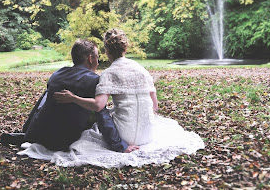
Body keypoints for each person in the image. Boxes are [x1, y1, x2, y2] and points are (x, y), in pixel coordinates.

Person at [38, 28, 204, 168]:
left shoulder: (108, 73)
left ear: (107, 52)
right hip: (149, 133)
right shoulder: (142, 70)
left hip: (125, 134)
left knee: (94, 128)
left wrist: (73, 98)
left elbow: (98, 106)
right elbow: (155, 107)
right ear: (125, 49)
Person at [1, 39, 138, 153]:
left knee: (47, 95)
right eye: (96, 57)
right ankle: (30, 136)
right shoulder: (94, 80)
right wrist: (120, 146)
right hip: (66, 140)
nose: (98, 61)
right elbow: (102, 115)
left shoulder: (57, 74)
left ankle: (28, 135)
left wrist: (28, 130)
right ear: (90, 59)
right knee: (99, 113)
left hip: (41, 134)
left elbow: (42, 105)